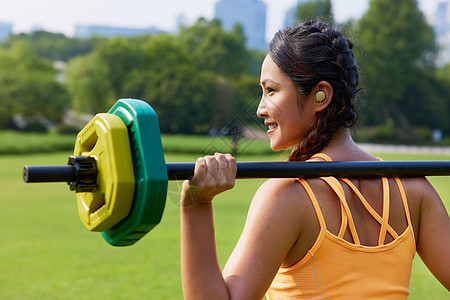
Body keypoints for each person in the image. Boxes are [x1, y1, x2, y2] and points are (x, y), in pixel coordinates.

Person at [180, 20, 450, 299]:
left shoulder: (286, 196)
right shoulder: (415, 191)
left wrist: (195, 204)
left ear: (321, 96)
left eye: (271, 91)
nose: (260, 109)